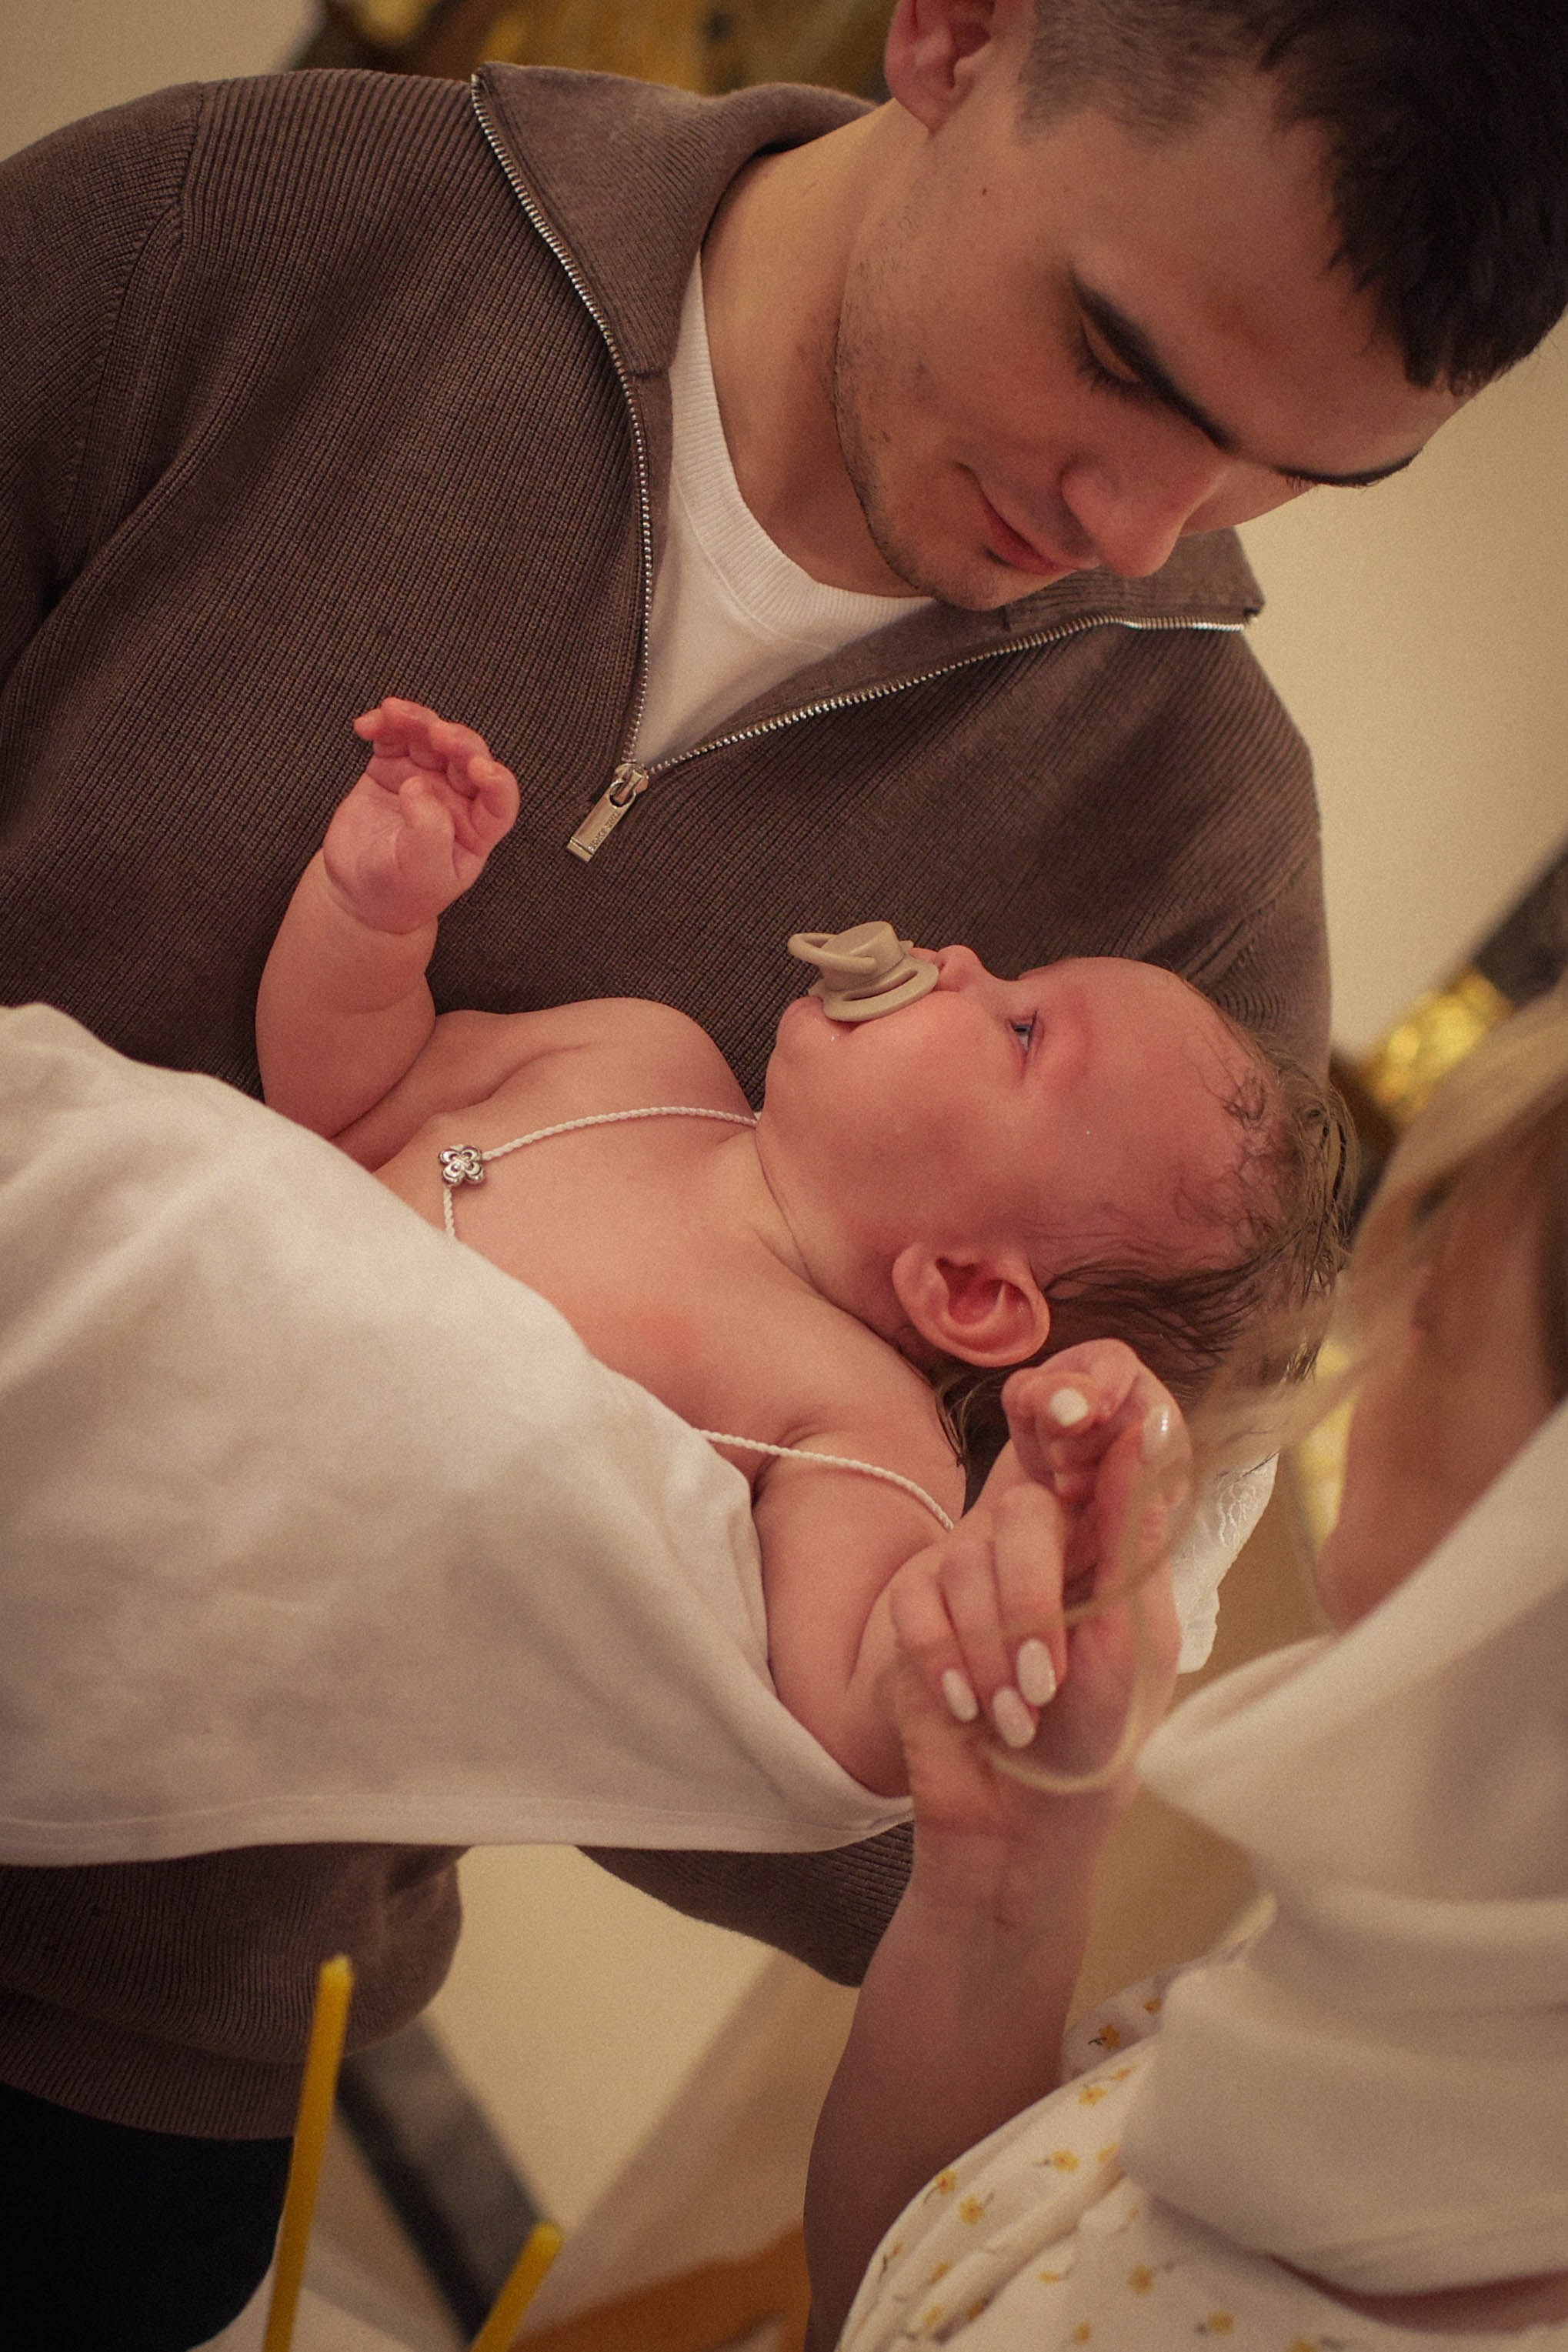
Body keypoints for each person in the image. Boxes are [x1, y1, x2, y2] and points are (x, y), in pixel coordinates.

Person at [2, 0, 1567, 2331]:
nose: (1138, 534)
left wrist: (994, 1628)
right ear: (952, 32)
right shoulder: (268, 227)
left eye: (1289, 476)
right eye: (1119, 357)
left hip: (124, 2061)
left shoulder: (1194, 879)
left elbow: (898, 1778)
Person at [258, 695, 1340, 1789]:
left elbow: (848, 1719)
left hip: (289, 1573)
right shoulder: (641, 1056)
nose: (959, 958)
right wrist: (373, 917)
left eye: (1019, 1027)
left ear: (967, 1289)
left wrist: (975, 1608)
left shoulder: (861, 1427)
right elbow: (348, 1102)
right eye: (1012, 972)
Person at [804, 981, 1568, 2347]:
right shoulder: (1381, 2019)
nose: (1379, 1362)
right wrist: (1007, 1870)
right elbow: (903, 2288)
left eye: (1438, 1321)